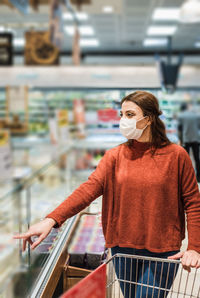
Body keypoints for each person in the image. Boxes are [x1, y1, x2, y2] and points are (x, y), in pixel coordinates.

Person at [14, 91, 200, 297]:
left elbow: (193, 202)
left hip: (163, 251)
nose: (123, 120)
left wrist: (194, 247)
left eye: (130, 115)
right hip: (122, 248)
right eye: (121, 114)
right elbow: (88, 189)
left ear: (148, 119)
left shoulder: (176, 156)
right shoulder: (115, 156)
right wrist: (52, 219)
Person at [178, 102, 200, 182]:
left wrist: (180, 140)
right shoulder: (196, 115)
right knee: (197, 158)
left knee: (185, 159)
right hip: (196, 139)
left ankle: (186, 177)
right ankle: (198, 177)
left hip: (186, 139)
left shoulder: (181, 116)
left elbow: (180, 129)